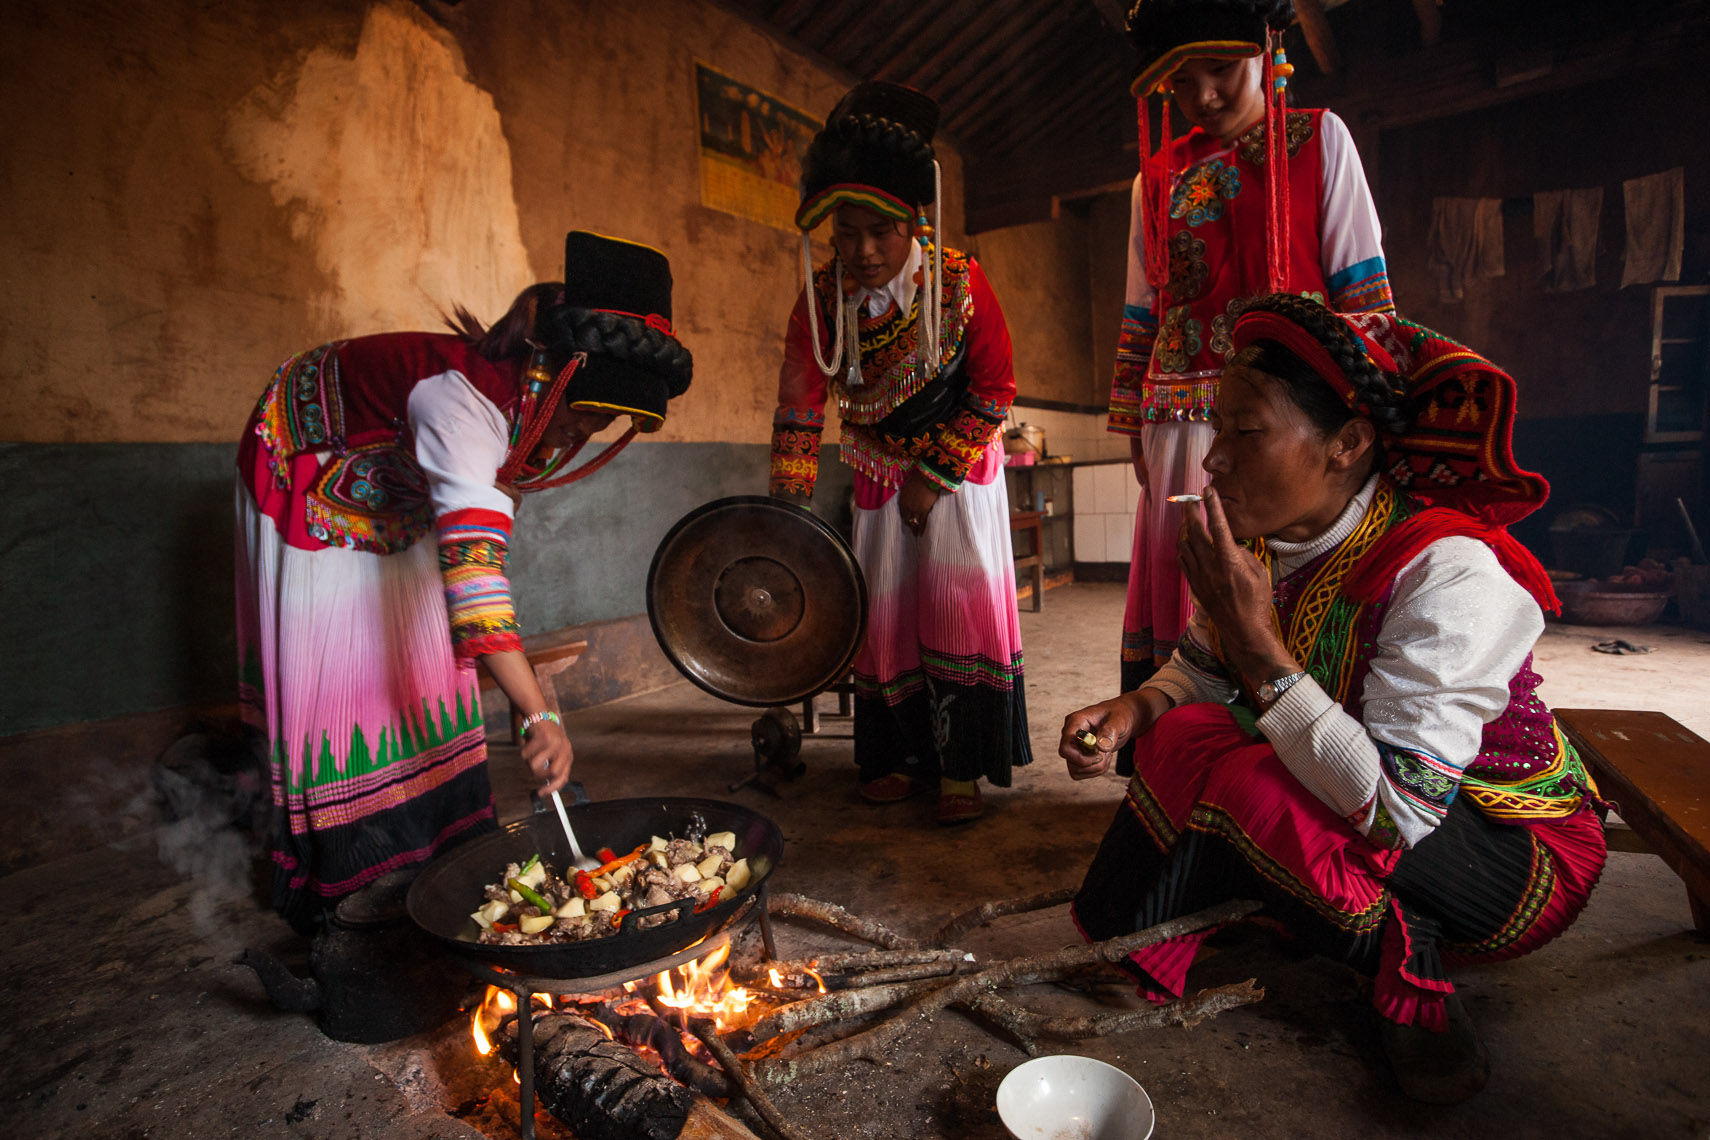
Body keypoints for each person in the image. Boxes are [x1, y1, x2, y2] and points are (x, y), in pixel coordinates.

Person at [1060, 294, 1606, 1103]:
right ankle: (1143, 942)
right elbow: (1205, 671)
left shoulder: (1445, 571)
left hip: (1500, 855)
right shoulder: (1266, 544)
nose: (1212, 461)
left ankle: (1415, 986)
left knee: (1252, 783)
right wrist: (1135, 710)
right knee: (1183, 737)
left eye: (1246, 433)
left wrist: (1259, 646)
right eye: (1218, 431)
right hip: (1373, 813)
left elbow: (1399, 812)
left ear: (1348, 443)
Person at [235, 231, 693, 930]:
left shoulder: (534, 411)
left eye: (606, 423)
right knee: (347, 673)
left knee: (428, 666)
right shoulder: (465, 406)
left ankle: (438, 853)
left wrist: (530, 700)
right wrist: (538, 712)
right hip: (308, 474)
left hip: (398, 492)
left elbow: (483, 562)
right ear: (555, 376)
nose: (584, 435)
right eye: (587, 414)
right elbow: (473, 576)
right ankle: (353, 882)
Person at [1108, 0, 1397, 750]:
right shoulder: (1156, 178)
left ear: (1266, 50)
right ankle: (1179, 751)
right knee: (1189, 569)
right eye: (1180, 82)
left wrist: (1363, 424)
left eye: (1220, 70)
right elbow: (1143, 311)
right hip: (1176, 417)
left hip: (1293, 418)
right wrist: (1131, 421)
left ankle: (1299, 748)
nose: (1203, 96)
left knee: (1287, 569)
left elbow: (1364, 299)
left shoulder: (1319, 140)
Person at [769, 81, 1031, 825]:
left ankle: (960, 767)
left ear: (914, 221)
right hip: (876, 478)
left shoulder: (960, 284)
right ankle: (891, 756)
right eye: (845, 235)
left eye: (881, 231)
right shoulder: (821, 299)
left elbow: (996, 389)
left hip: (958, 481)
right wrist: (788, 506)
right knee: (882, 615)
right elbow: (798, 402)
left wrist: (934, 475)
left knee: (956, 607)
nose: (864, 251)